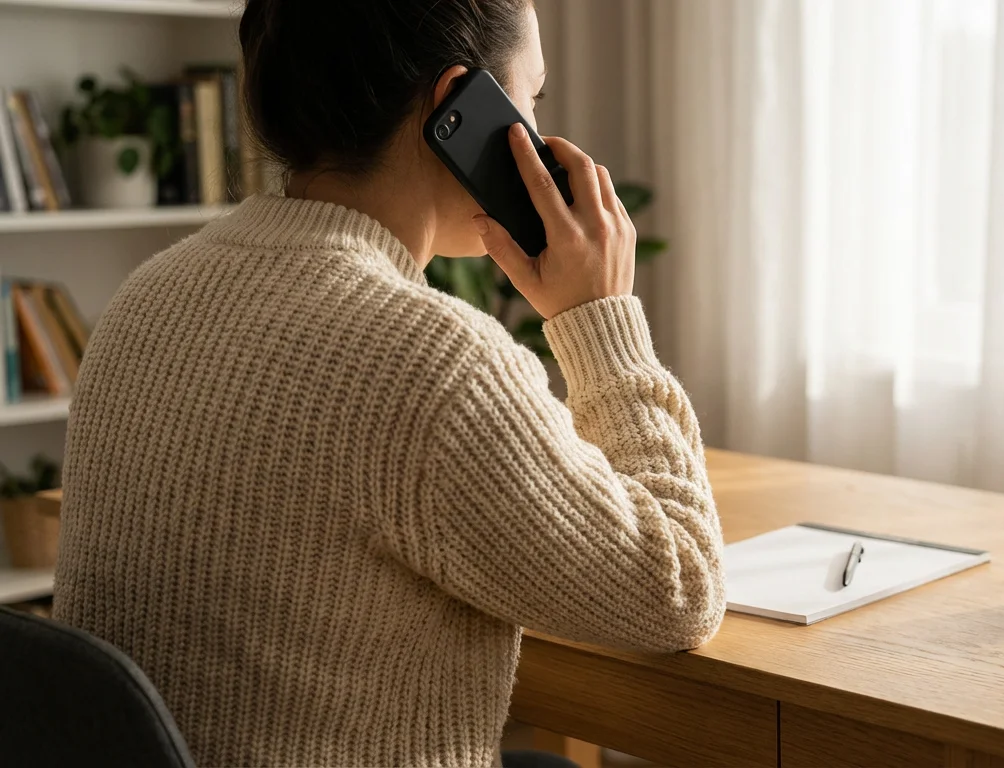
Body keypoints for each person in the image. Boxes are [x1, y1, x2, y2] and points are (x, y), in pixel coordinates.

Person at [51, 0, 725, 765]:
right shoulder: (439, 365)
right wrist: (603, 321)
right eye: (530, 99)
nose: (538, 133)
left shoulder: (148, 295)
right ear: (457, 108)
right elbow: (679, 590)